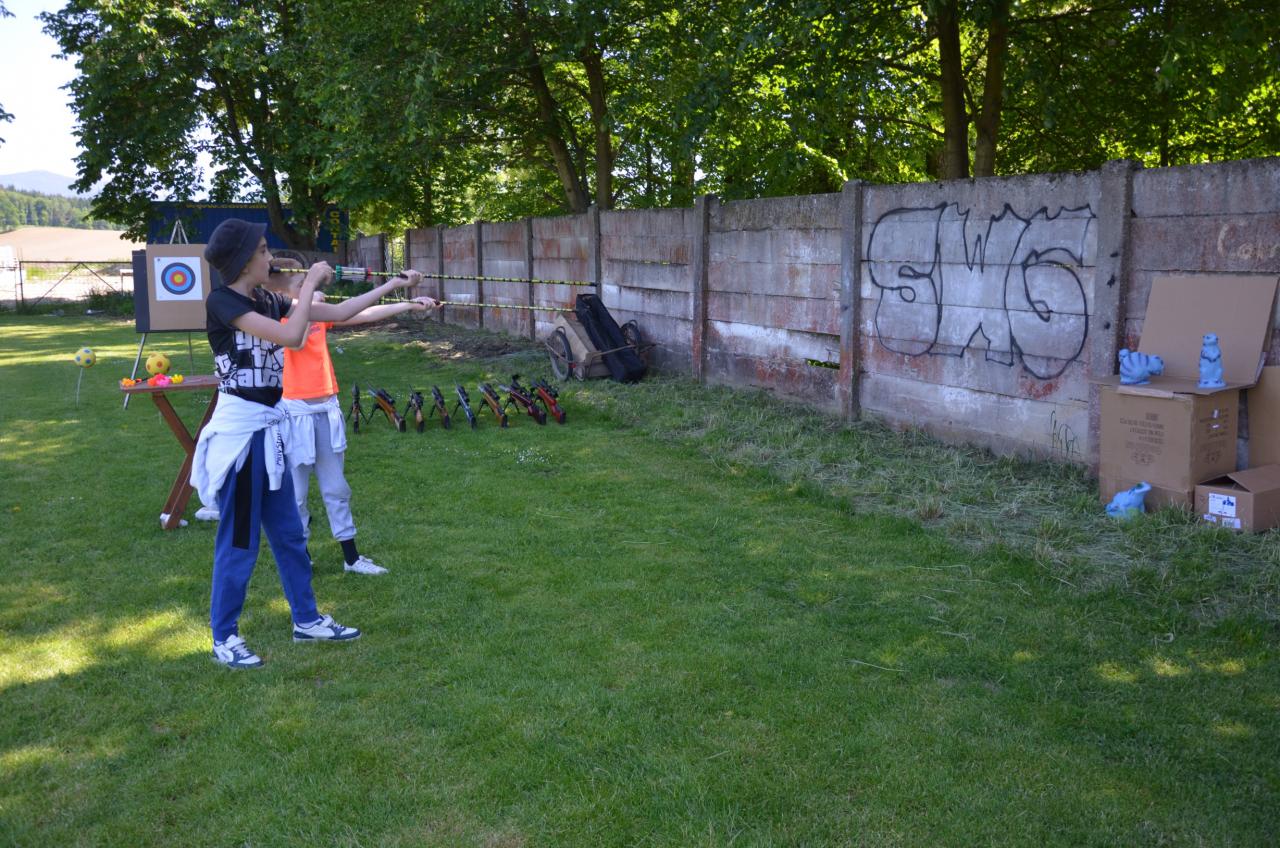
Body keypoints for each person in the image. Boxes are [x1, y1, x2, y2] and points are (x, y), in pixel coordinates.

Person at [190, 218, 421, 669]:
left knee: (291, 536)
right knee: (240, 542)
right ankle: (224, 636)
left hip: (269, 435)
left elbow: (340, 313)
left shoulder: (267, 299)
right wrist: (311, 281)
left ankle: (307, 619)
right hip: (242, 442)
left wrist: (393, 286)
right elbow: (291, 336)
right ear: (242, 260)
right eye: (261, 250)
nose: (268, 256)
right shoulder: (223, 302)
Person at [273, 279, 438, 575]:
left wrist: (410, 305)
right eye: (301, 284)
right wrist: (311, 304)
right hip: (294, 414)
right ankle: (300, 557)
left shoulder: (317, 314)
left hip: (326, 408)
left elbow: (363, 313)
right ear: (284, 292)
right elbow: (296, 341)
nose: (308, 286)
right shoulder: (278, 319)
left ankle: (351, 559)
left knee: (336, 488)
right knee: (295, 495)